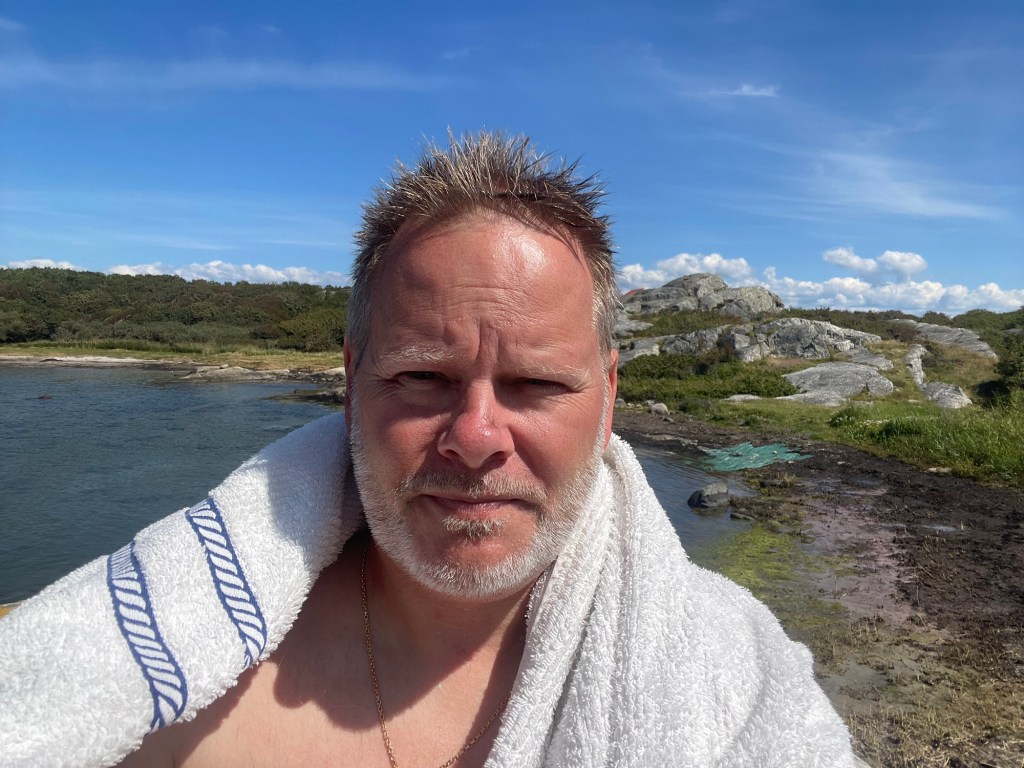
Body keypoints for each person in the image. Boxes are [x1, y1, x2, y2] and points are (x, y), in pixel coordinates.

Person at [1, 132, 859, 767]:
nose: (476, 438)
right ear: (352, 380)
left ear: (608, 400)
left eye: (536, 383)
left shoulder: (737, 675)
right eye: (421, 376)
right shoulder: (168, 690)